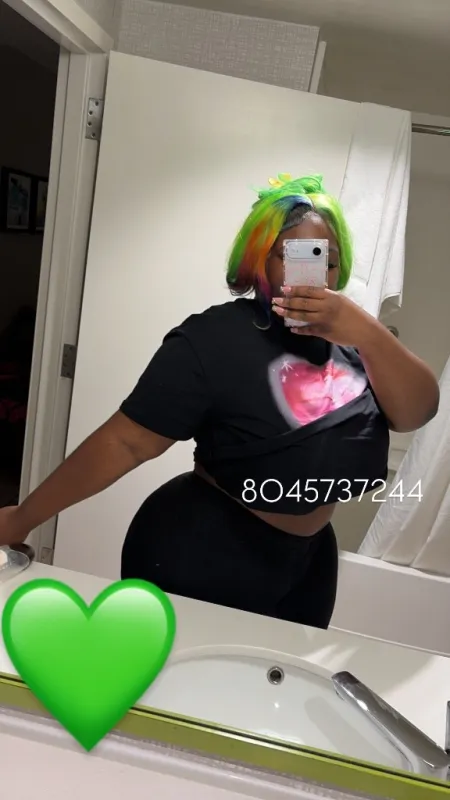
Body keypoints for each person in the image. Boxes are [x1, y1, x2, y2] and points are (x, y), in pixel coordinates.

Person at [0, 174, 439, 629]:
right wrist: (23, 517)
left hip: (309, 565)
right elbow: (125, 443)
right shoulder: (213, 339)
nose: (315, 271)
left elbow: (417, 411)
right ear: (258, 259)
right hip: (204, 552)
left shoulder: (359, 347)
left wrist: (367, 331)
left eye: (327, 260)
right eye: (295, 254)